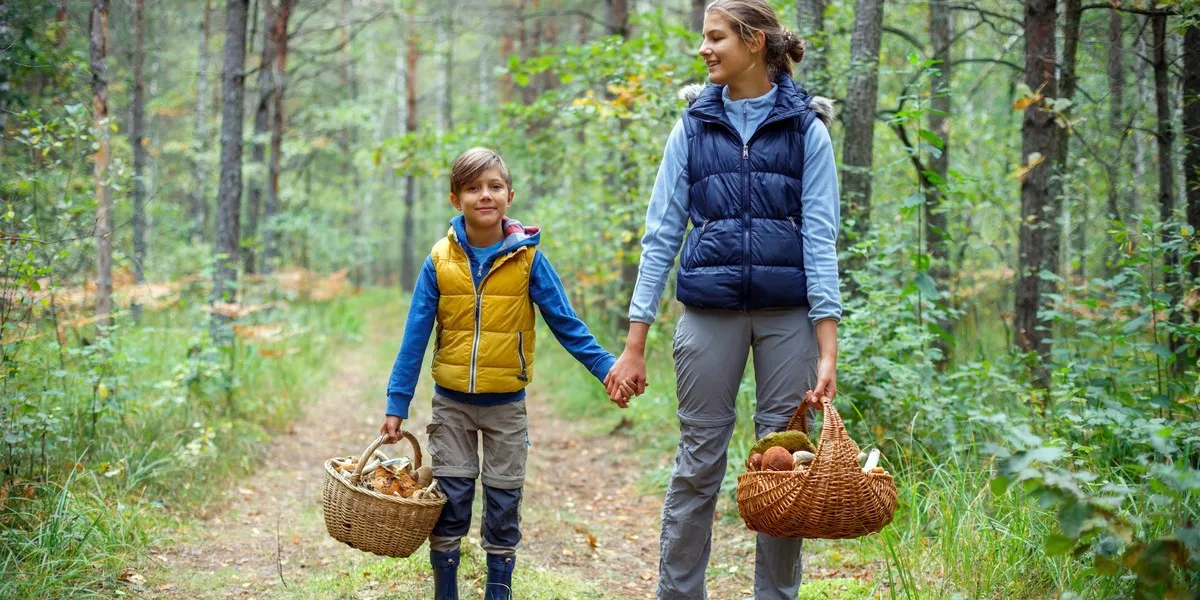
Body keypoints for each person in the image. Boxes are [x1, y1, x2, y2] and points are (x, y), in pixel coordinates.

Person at [602, 1, 842, 598]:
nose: (704, 49)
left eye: (716, 38)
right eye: (704, 38)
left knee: (783, 465)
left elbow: (821, 240)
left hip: (788, 317)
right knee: (697, 465)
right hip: (707, 315)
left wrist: (827, 347)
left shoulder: (806, 127)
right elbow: (661, 235)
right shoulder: (693, 125)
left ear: (755, 42)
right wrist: (635, 344)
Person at [380, 147, 626, 600]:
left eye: (493, 186)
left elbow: (565, 322)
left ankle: (499, 591)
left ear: (509, 195)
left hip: (506, 404)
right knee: (450, 498)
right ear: (456, 199)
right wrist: (397, 404)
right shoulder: (439, 260)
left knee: (503, 499)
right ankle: (446, 592)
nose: (484, 195)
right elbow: (414, 336)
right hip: (451, 403)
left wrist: (606, 367)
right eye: (473, 188)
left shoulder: (528, 259)